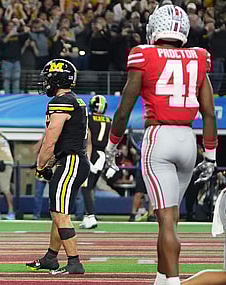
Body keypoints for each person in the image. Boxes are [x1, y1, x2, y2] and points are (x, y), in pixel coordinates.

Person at [104, 3, 217, 285]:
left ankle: (173, 282)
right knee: (169, 216)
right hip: (188, 141)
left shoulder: (144, 54)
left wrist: (112, 145)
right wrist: (212, 155)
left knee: (166, 219)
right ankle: (161, 277)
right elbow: (209, 112)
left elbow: (124, 108)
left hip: (160, 137)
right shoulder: (198, 56)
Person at [26, 59, 89, 275]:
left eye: (48, 78)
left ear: (57, 79)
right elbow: (68, 139)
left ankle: (74, 262)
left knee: (60, 213)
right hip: (73, 160)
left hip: (71, 161)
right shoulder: (76, 101)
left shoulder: (61, 101)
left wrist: (40, 164)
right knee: (58, 212)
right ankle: (51, 257)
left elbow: (51, 139)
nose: (45, 83)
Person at [79, 95, 111, 229]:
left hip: (93, 155)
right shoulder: (109, 120)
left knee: (85, 187)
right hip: (103, 155)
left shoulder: (89, 118)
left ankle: (91, 216)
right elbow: (110, 141)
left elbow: (89, 141)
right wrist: (110, 161)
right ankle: (88, 217)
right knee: (90, 186)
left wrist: (87, 159)